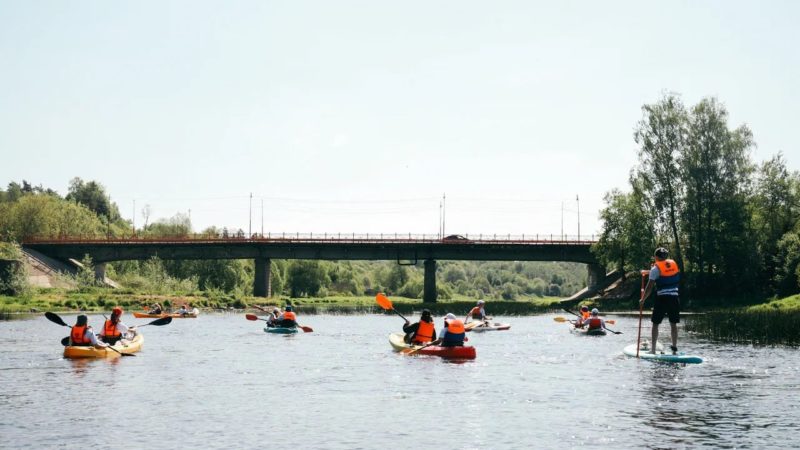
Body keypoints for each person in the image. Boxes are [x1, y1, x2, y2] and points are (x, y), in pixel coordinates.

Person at [641, 247, 681, 355]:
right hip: (674, 297)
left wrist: (643, 299)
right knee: (673, 324)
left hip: (662, 298)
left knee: (655, 324)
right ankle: (674, 350)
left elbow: (649, 287)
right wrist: (648, 271)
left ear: (656, 257)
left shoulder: (655, 269)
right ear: (666, 257)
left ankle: (653, 350)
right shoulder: (673, 264)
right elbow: (665, 272)